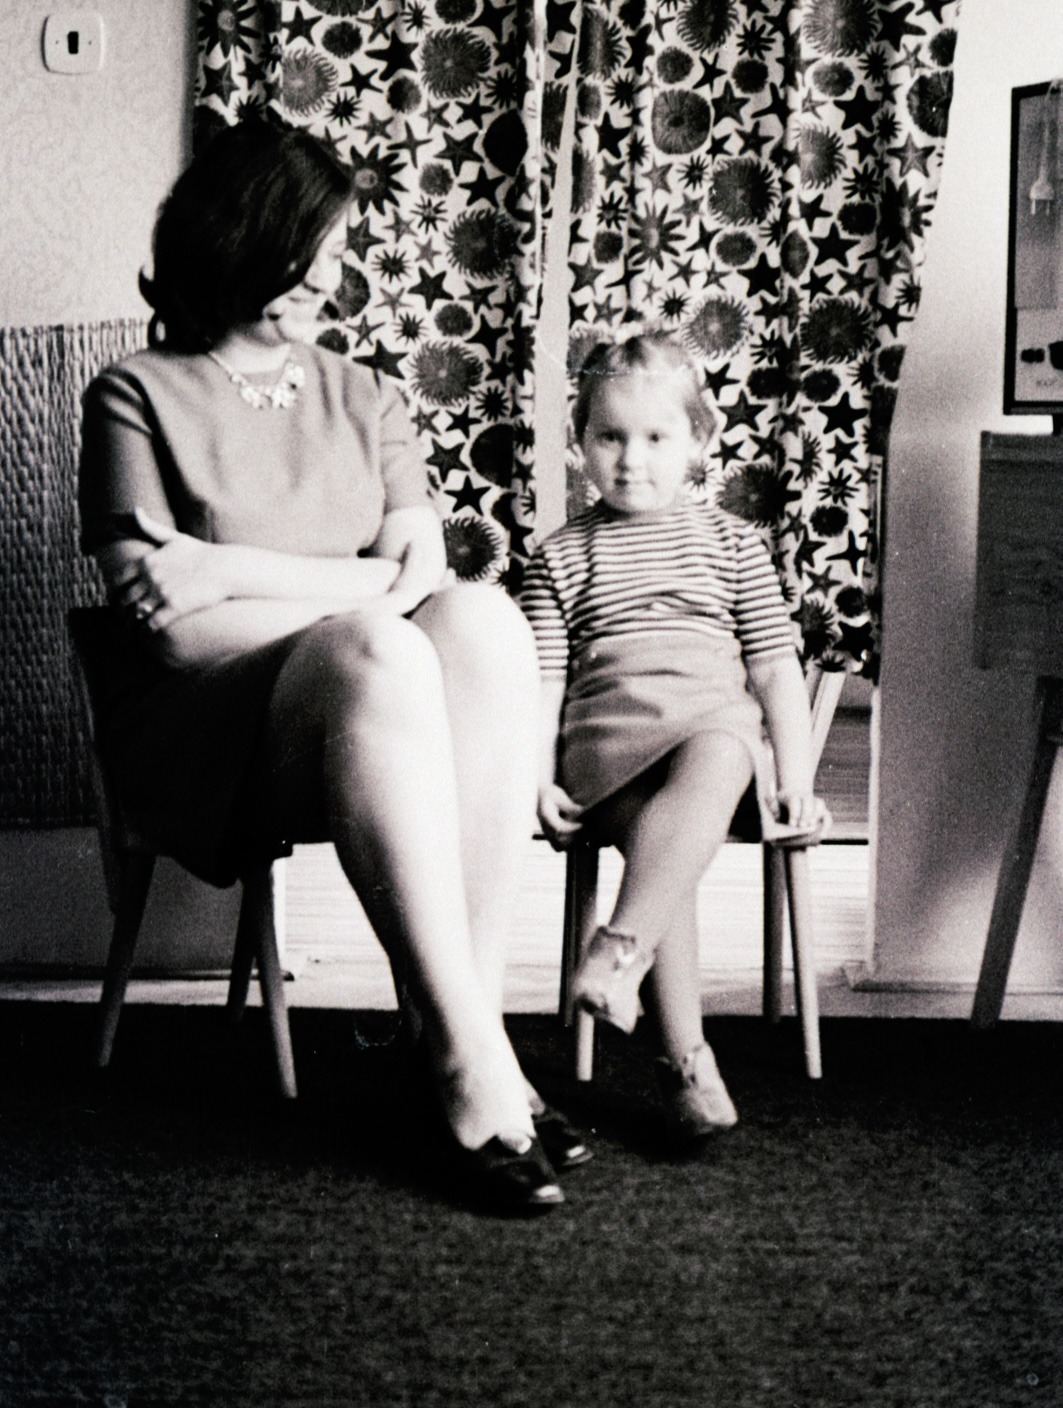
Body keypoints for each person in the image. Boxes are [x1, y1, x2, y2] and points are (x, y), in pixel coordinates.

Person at [78, 119, 590, 1211]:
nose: (329, 274)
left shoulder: (366, 394)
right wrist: (354, 590)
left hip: (364, 713)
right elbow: (173, 631)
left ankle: (466, 1029)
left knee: (484, 622)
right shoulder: (133, 393)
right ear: (239, 237)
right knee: (379, 646)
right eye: (309, 245)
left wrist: (223, 567)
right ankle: (463, 1062)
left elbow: (420, 576)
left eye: (337, 246)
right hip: (207, 731)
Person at [521, 332, 830, 1141]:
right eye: (608, 437)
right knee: (673, 844)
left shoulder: (732, 545)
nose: (630, 459)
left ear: (699, 438)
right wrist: (534, 772)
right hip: (609, 751)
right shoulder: (558, 558)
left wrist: (795, 774)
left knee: (728, 740)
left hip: (709, 750)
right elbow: (543, 683)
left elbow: (771, 670)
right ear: (578, 441)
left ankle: (631, 969)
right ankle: (681, 1055)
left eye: (656, 437)